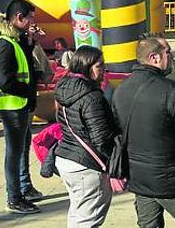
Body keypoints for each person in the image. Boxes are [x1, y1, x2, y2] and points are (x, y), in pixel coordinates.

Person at [112, 36, 175, 228]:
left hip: (139, 178)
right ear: (154, 58)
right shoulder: (173, 91)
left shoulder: (120, 90)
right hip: (173, 179)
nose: (171, 57)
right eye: (168, 53)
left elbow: (117, 132)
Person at [54, 46, 116, 227]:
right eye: (100, 66)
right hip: (85, 165)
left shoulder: (64, 87)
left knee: (78, 213)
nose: (104, 70)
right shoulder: (91, 97)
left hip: (67, 159)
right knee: (89, 219)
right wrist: (114, 161)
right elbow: (101, 138)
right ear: (86, 66)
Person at [0, 0, 43, 213]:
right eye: (30, 17)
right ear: (19, 18)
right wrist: (28, 91)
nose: (33, 21)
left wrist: (30, 39)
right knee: (13, 154)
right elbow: (5, 80)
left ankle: (24, 188)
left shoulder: (17, 40)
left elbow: (26, 68)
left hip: (22, 105)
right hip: (12, 107)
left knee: (22, 149)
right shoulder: (4, 43)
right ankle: (14, 198)